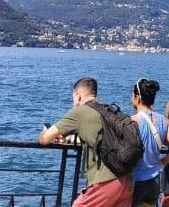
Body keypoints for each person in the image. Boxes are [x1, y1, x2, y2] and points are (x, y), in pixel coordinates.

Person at [38, 77, 133, 206]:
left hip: (106, 180)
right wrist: (69, 138)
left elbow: (44, 139)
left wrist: (44, 132)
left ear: (77, 96)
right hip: (127, 178)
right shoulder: (109, 110)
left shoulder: (80, 111)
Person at [131, 79, 169, 207]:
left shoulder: (133, 121)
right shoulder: (164, 120)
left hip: (136, 181)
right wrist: (162, 162)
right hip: (154, 181)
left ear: (137, 98)